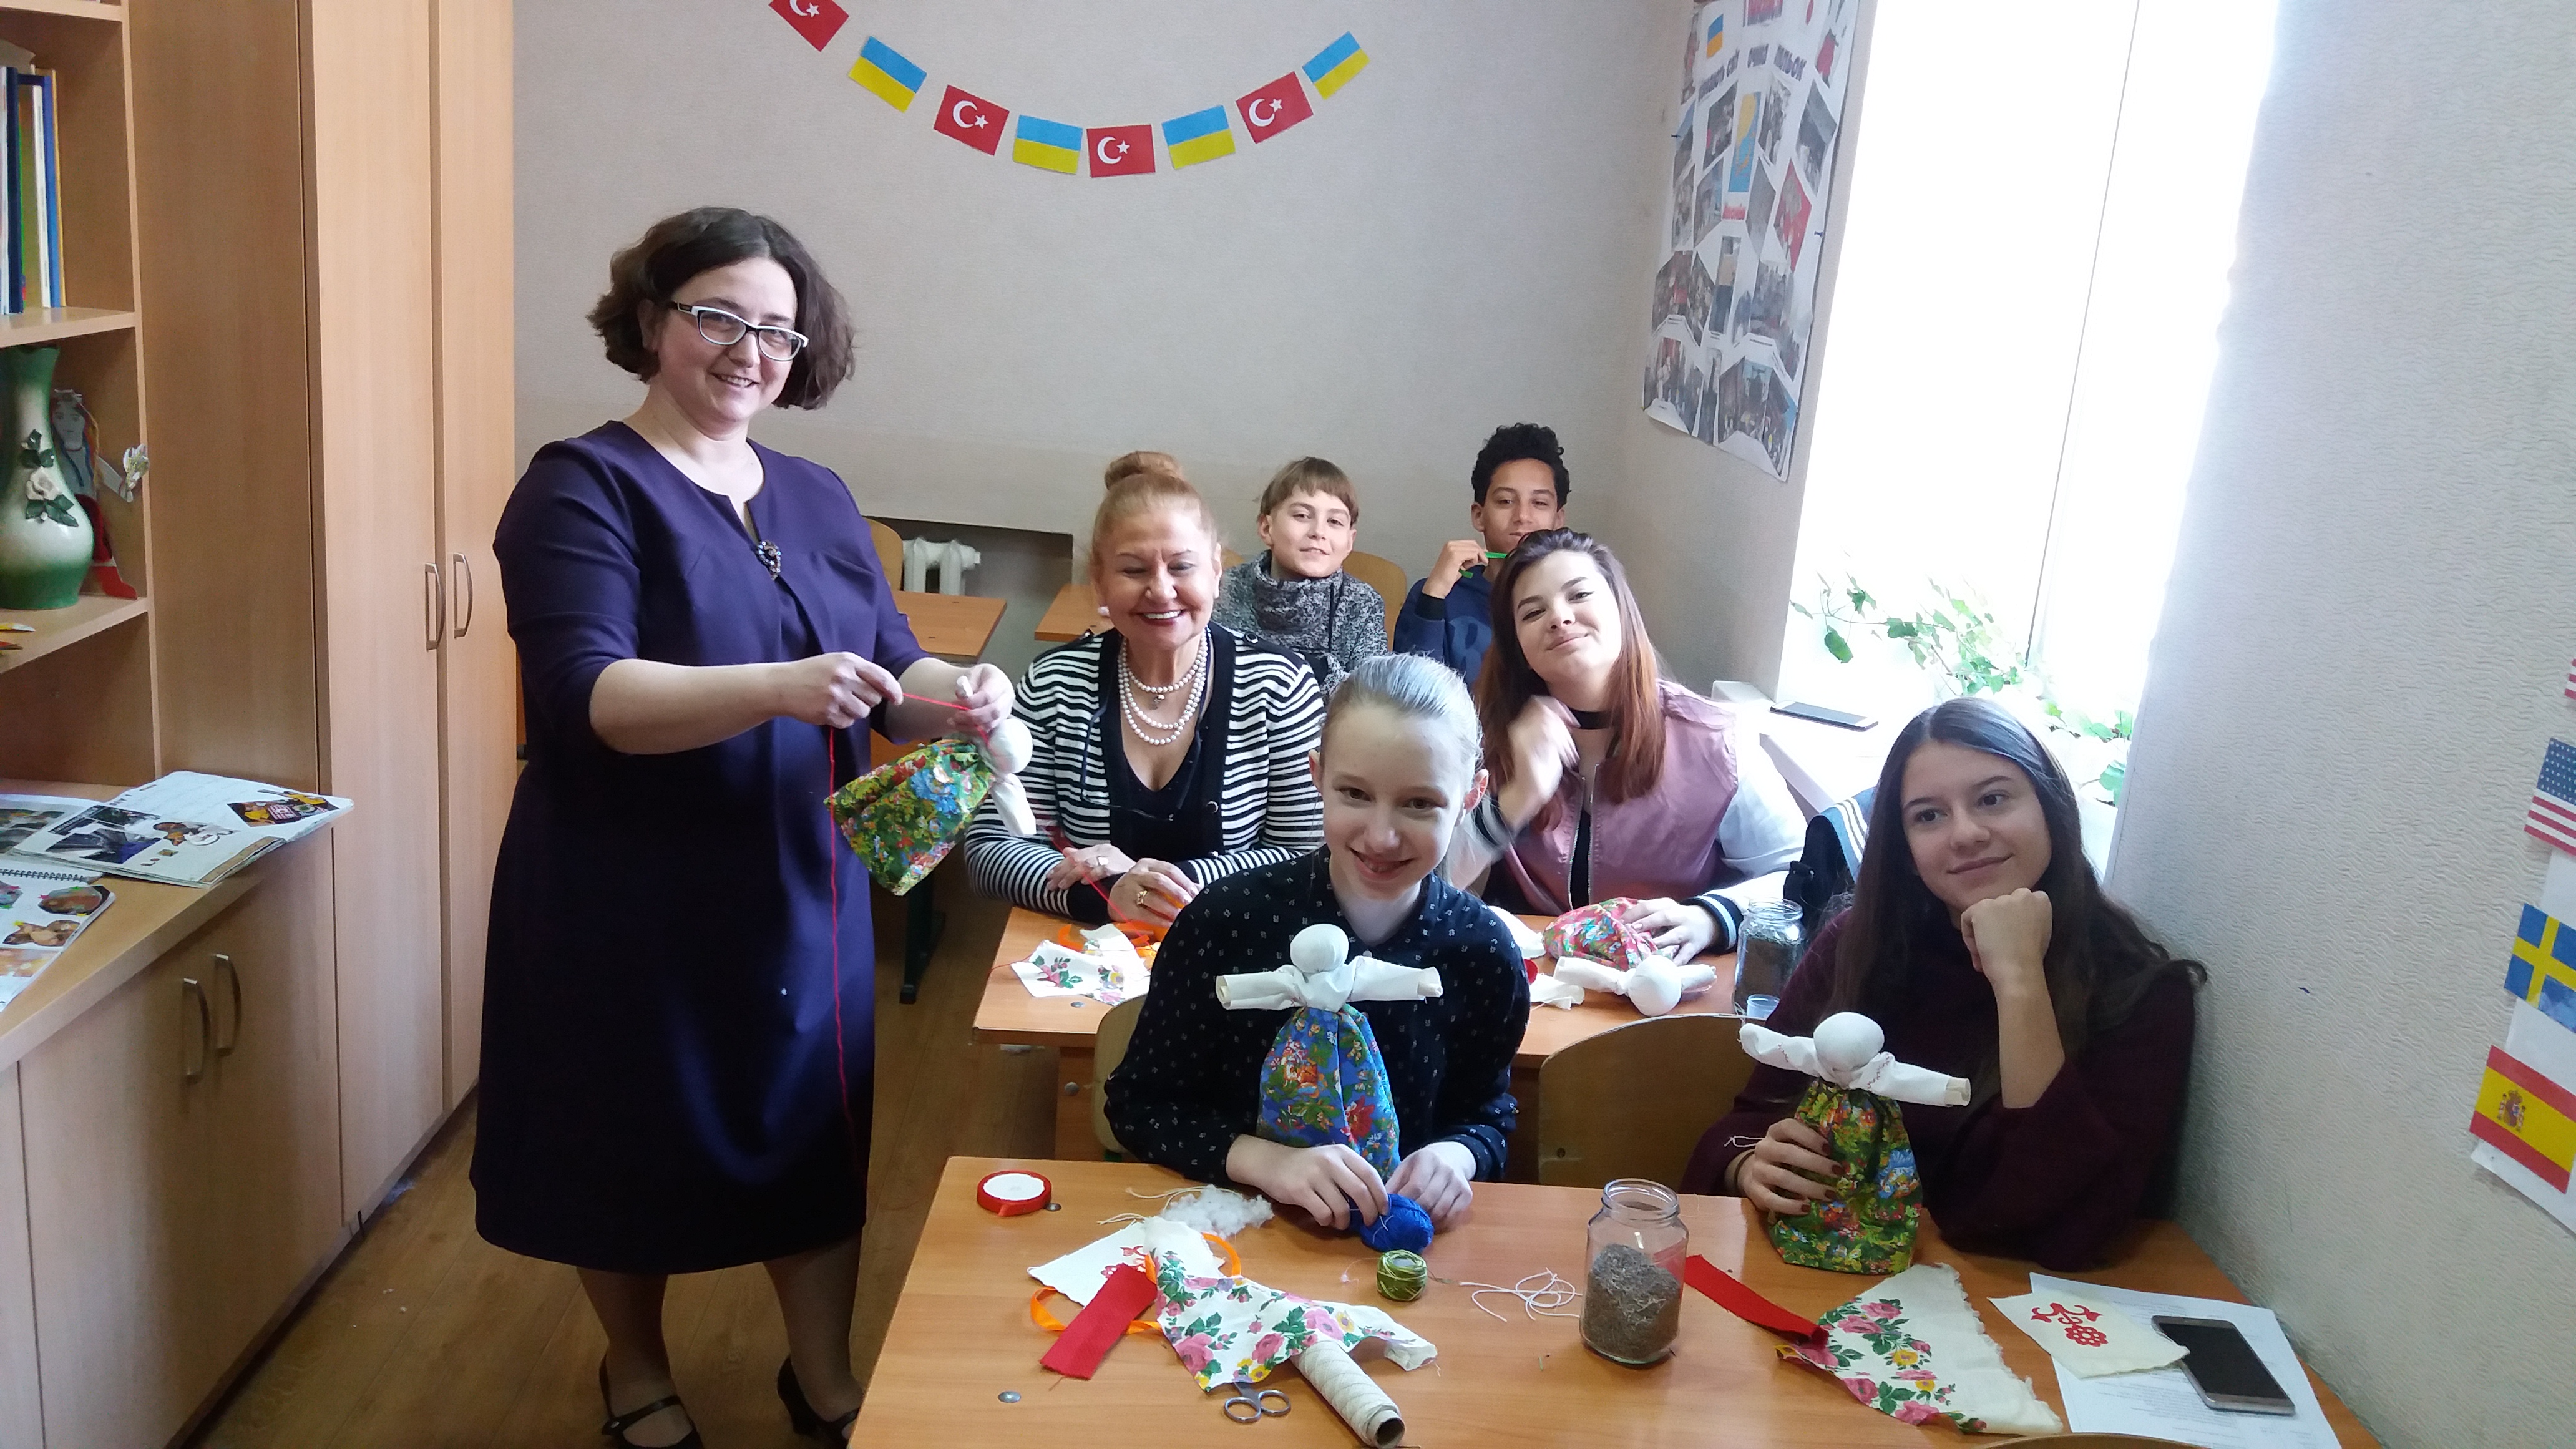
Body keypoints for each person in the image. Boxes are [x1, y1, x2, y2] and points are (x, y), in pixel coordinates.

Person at [474, 207, 1012, 1449]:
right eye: (717, 315)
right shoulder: (582, 486)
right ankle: (634, 1368)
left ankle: (821, 1376)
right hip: (625, 893)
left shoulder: (818, 496)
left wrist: (960, 694)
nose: (749, 350)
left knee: (811, 1133)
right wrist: (776, 687)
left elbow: (891, 670)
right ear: (651, 319)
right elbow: (587, 693)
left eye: (777, 329)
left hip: (797, 891)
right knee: (627, 1132)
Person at [1680, 697, 2204, 1270]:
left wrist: (2019, 980)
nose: (1966, 834)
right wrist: (1749, 1163)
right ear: (1905, 850)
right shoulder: (1859, 945)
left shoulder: (2143, 994)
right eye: (1928, 816)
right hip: (1834, 1278)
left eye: (1993, 799)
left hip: (2007, 1296)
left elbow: (2070, 1229)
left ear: (2051, 808)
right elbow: (1744, 1123)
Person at [1105, 655, 1531, 1230]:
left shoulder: (1482, 951)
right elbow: (1139, 1104)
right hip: (1238, 1231)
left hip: (1400, 1245)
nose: (1381, 837)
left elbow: (1488, 1114)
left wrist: (1458, 1155)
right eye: (1354, 793)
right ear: (1316, 775)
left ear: (1472, 795)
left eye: (1420, 804)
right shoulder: (1225, 922)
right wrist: (1266, 1162)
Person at [964, 469, 1323, 925]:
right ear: (1100, 581)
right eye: (1133, 570)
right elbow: (991, 849)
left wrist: (1152, 883)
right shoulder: (1054, 682)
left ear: (1216, 571)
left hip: (1232, 938)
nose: (1161, 590)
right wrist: (1110, 894)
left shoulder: (1279, 684)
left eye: (1182, 567)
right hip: (1086, 945)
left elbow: (1304, 854)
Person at [1448, 530, 1803, 957]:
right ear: (1517, 644)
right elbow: (1423, 883)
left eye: (1579, 595)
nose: (1559, 618)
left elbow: (1800, 874)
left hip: (1668, 978)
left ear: (1622, 609)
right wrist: (1518, 797)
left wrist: (1711, 916)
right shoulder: (1486, 738)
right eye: (1533, 612)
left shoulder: (1716, 741)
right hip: (1534, 977)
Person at [1392, 423, 1569, 685]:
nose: (1523, 516)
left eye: (1539, 503)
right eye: (1506, 501)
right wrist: (1433, 597)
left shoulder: (1572, 603)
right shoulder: (1437, 595)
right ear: (1479, 515)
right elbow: (1408, 696)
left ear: (1558, 519)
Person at [1211, 456, 1388, 693]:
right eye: (1302, 516)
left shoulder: (1362, 603)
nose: (1319, 532)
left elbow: (1371, 698)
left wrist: (1321, 671)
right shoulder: (1222, 590)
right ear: (1266, 528)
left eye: (1335, 521)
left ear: (1349, 541)